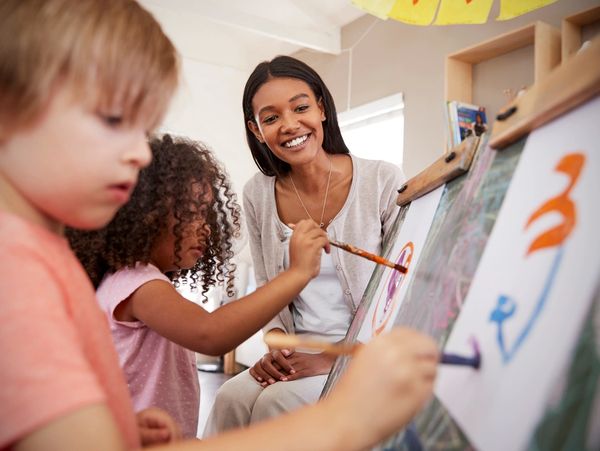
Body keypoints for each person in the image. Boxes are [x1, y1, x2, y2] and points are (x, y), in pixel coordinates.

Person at [0, 1, 438, 449]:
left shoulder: (45, 259)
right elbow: (223, 326)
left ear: (322, 108)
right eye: (113, 119)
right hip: (303, 359)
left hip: (348, 353)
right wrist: (346, 421)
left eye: (143, 127)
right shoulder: (20, 276)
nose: (140, 155)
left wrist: (115, 427)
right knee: (237, 397)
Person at [67, 134, 329, 438]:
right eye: (192, 213)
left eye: (207, 213)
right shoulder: (137, 285)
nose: (206, 226)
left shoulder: (137, 282)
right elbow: (210, 333)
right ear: (147, 217)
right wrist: (297, 273)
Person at [204, 55, 406, 435]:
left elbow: (399, 293)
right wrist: (276, 351)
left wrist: (333, 360)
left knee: (276, 403)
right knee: (231, 397)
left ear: (322, 109)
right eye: (271, 117)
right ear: (257, 129)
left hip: (362, 355)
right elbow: (269, 290)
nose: (290, 125)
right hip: (297, 353)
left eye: (300, 107)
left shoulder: (381, 180)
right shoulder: (257, 194)